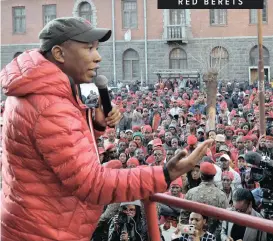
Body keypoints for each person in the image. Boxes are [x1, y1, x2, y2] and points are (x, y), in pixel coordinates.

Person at [0, 17, 214, 241]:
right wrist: (165, 174)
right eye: (88, 48)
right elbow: (92, 184)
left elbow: (59, 150)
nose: (98, 57)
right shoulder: (49, 105)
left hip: (40, 222)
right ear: (59, 53)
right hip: (45, 230)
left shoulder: (39, 91)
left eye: (97, 48)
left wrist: (97, 125)